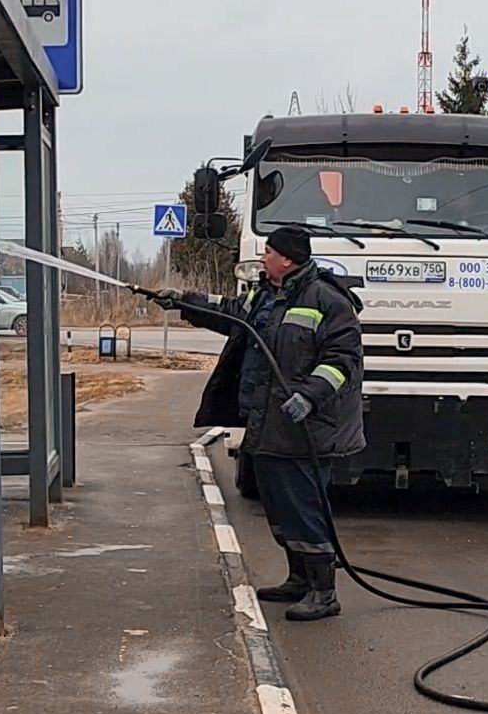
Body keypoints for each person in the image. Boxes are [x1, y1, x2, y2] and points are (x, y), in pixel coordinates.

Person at [156, 225, 364, 620]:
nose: (263, 256)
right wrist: (183, 302)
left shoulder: (327, 299)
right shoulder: (267, 293)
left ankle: (324, 592)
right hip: (268, 420)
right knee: (279, 503)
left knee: (303, 506)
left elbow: (343, 360)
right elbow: (232, 313)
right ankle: (299, 579)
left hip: (307, 427)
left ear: (287, 258)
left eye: (268, 251)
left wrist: (310, 395)